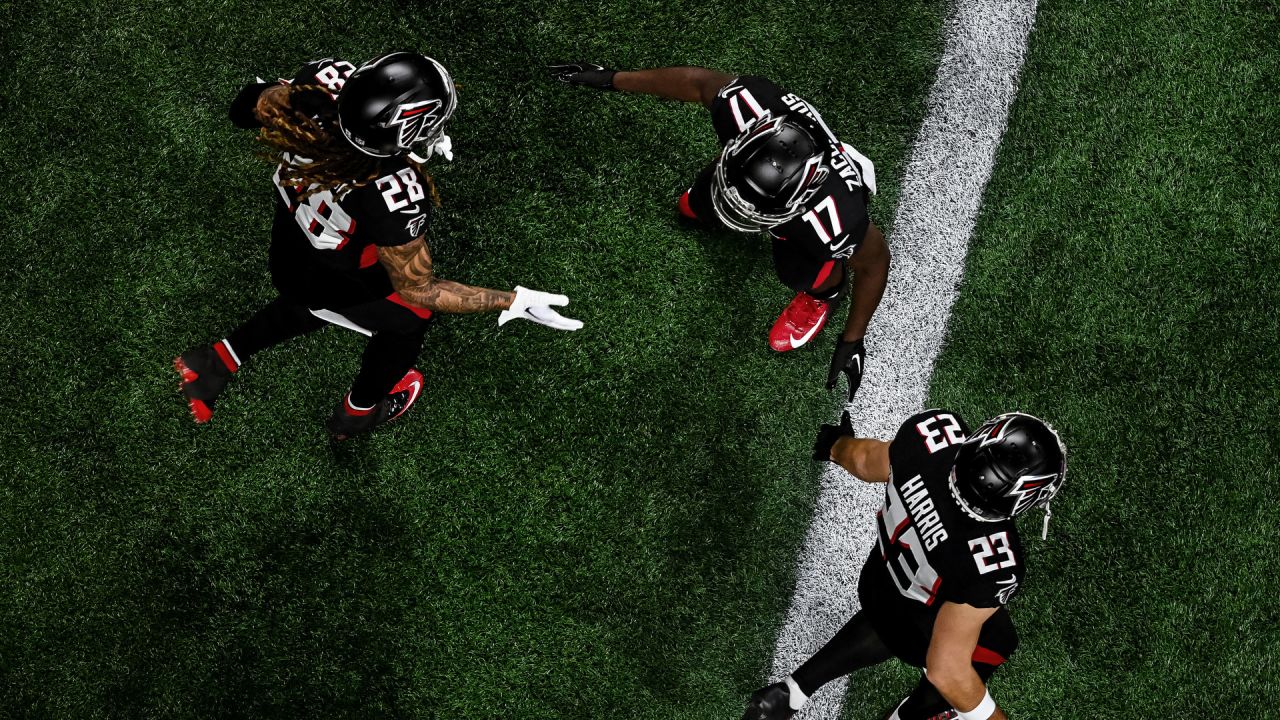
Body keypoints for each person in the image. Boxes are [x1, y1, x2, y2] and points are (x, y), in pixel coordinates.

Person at [176, 52, 581, 439]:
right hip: (331, 272)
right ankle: (358, 413)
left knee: (315, 299)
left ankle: (216, 362)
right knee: (409, 318)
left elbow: (246, 106)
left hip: (290, 244)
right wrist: (511, 300)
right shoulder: (391, 192)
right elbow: (418, 288)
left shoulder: (319, 86)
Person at [548, 63, 889, 400]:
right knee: (694, 205)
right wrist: (612, 78)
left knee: (797, 271)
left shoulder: (832, 218)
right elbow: (698, 83)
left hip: (810, 207)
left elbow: (874, 261)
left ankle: (825, 292)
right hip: (767, 179)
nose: (735, 211)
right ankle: (727, 195)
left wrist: (852, 338)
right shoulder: (748, 108)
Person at [742, 410, 1067, 720]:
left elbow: (865, 460)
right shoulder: (995, 564)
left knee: (903, 606)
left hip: (875, 583)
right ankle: (915, 714)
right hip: (912, 625)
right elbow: (947, 671)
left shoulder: (929, 438)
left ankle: (788, 694)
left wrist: (835, 446)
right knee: (998, 640)